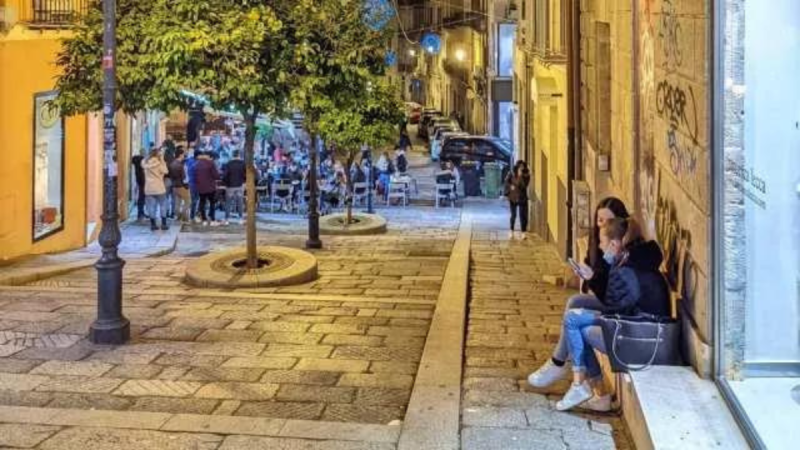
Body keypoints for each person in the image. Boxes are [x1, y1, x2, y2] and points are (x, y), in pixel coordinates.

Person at [555, 217, 669, 411]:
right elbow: (618, 305)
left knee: (575, 322)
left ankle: (582, 385)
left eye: (602, 242)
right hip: (645, 329)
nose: (600, 247)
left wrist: (588, 314)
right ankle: (588, 388)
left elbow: (614, 312)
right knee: (576, 318)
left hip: (641, 338)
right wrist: (592, 282)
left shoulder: (626, 268)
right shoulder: (633, 259)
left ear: (614, 244)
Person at [527, 198, 631, 397]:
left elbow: (612, 291)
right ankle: (588, 382)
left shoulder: (620, 248)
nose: (602, 225)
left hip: (617, 307)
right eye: (599, 220)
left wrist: (601, 268)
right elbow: (596, 275)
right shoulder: (598, 240)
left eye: (608, 221)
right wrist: (588, 272)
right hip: (605, 297)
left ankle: (560, 364)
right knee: (575, 303)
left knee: (576, 320)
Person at [143, 148, 170, 231]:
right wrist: (162, 160)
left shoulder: (145, 162)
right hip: (159, 188)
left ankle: (153, 224)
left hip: (149, 188)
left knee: (151, 206)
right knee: (163, 205)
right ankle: (164, 224)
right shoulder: (159, 163)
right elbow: (166, 171)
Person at [504, 161, 531, 239]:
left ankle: (523, 232)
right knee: (513, 215)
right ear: (517, 167)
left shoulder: (526, 175)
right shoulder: (511, 173)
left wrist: (521, 176)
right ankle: (511, 230)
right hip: (513, 196)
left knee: (523, 215)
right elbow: (506, 182)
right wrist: (510, 187)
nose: (521, 168)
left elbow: (524, 186)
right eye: (520, 167)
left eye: (523, 167)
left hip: (522, 197)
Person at [194, 151, 220, 226]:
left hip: (201, 187)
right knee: (212, 203)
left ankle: (204, 219)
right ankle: (212, 219)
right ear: (209, 156)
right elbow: (216, 175)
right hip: (210, 187)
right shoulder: (211, 163)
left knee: (202, 202)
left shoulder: (197, 164)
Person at [222, 150, 246, 225]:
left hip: (230, 186)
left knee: (228, 203)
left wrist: (226, 183)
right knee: (240, 203)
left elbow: (224, 176)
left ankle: (226, 219)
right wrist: (244, 182)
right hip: (240, 185)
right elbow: (246, 174)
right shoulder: (243, 163)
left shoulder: (228, 164)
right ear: (239, 155)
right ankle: (240, 219)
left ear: (233, 155)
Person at [169, 148, 190, 223]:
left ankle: (178, 216)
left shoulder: (171, 164)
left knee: (177, 202)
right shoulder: (181, 165)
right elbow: (184, 178)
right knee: (188, 201)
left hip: (174, 185)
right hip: (182, 186)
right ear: (180, 155)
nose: (184, 156)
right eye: (183, 154)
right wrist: (187, 185)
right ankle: (184, 216)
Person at [131, 153, 147, 220]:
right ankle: (140, 213)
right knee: (141, 199)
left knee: (141, 199)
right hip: (143, 185)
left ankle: (141, 212)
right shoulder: (141, 169)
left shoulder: (137, 168)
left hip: (140, 184)